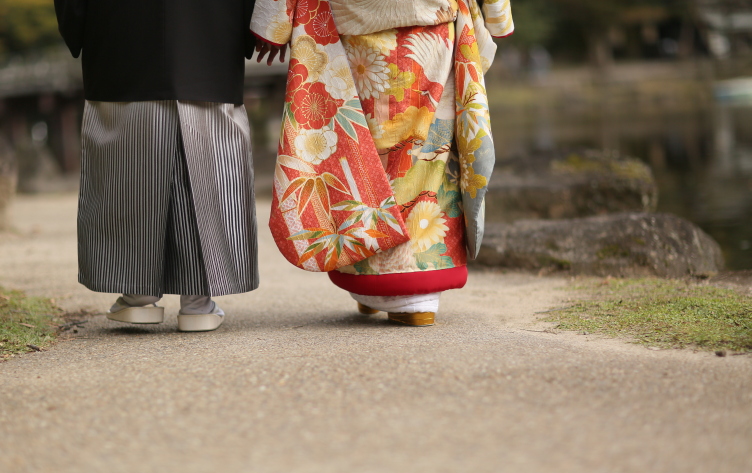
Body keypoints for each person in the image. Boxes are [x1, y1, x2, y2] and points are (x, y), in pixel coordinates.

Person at [251, 0, 513, 326]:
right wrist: (497, 16)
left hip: (353, 24)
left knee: (360, 151)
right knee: (429, 152)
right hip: (433, 26)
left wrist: (273, 22)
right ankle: (418, 296)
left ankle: (372, 285)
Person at [54, 0, 259, 332]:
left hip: (122, 34)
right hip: (210, 34)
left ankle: (137, 293)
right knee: (210, 159)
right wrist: (260, 26)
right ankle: (198, 299)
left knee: (126, 164)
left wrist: (77, 23)